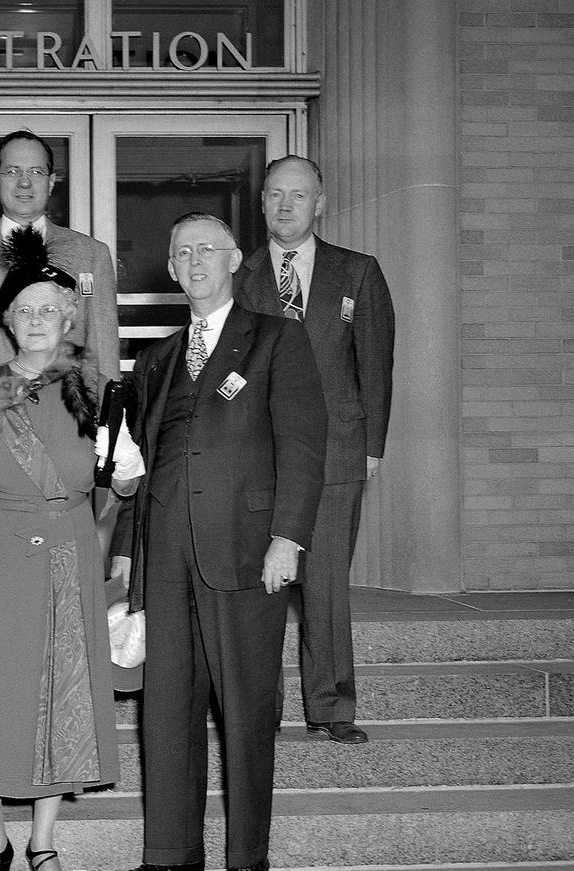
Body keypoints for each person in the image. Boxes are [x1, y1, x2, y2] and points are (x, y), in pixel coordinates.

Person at [110, 213, 326, 871]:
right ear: (171, 269)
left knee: (247, 706)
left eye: (208, 249)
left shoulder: (277, 338)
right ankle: (172, 851)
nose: (195, 261)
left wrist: (288, 538)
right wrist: (128, 552)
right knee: (167, 707)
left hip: (246, 550)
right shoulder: (156, 359)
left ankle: (247, 857)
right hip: (165, 553)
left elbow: (304, 443)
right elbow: (142, 464)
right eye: (183, 253)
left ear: (234, 259)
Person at [0, 228, 143, 871]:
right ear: (6, 320)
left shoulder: (97, 389)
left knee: (59, 694)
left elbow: (118, 483)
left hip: (66, 552)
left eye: (49, 309)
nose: (37, 319)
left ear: (70, 317)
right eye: (24, 310)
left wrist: (125, 472)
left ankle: (43, 841)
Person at [234, 155, 396, 745]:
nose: (285, 205)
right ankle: (262, 709)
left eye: (298, 195)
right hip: (260, 454)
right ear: (262, 203)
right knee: (262, 586)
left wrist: (371, 444)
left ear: (319, 204)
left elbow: (375, 364)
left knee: (325, 584)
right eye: (275, 194)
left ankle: (331, 707)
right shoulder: (239, 275)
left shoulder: (358, 272)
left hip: (337, 451)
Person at [0, 129, 121, 381]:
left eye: (36, 172)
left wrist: (110, 403)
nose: (24, 182)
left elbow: (104, 353)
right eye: (12, 171)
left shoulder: (91, 255)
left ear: (51, 182)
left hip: (67, 402)